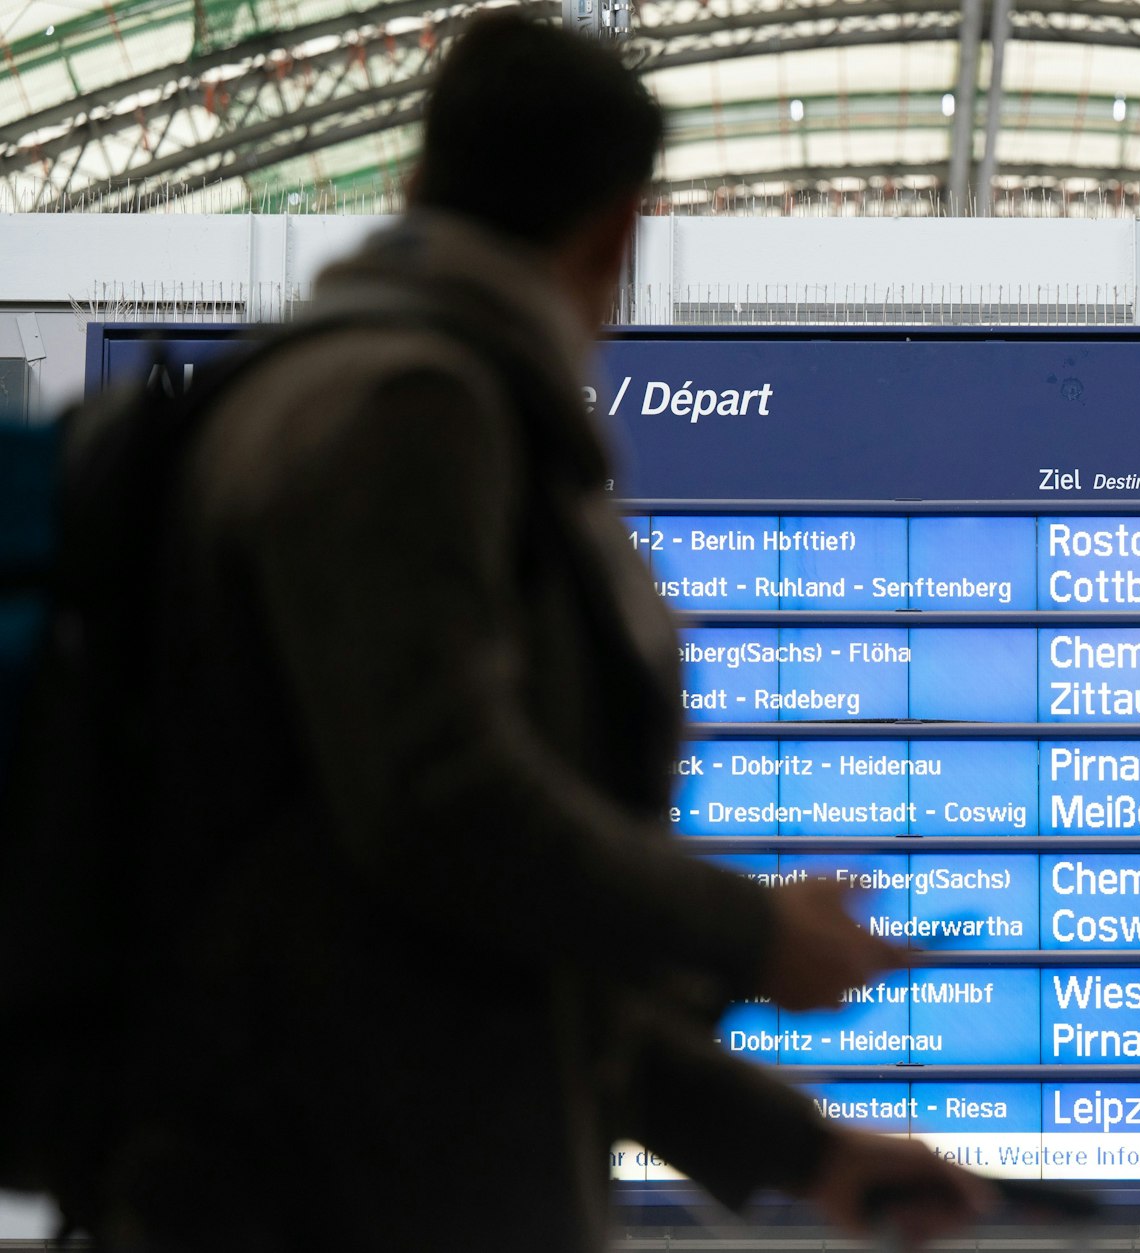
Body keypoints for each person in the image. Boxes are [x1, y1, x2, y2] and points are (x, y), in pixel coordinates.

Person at [85, 14, 987, 1253]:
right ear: (617, 232)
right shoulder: (413, 412)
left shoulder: (313, 396)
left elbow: (475, 953)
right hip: (355, 1206)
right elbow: (445, 805)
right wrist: (751, 932)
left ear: (418, 181)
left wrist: (804, 1150)